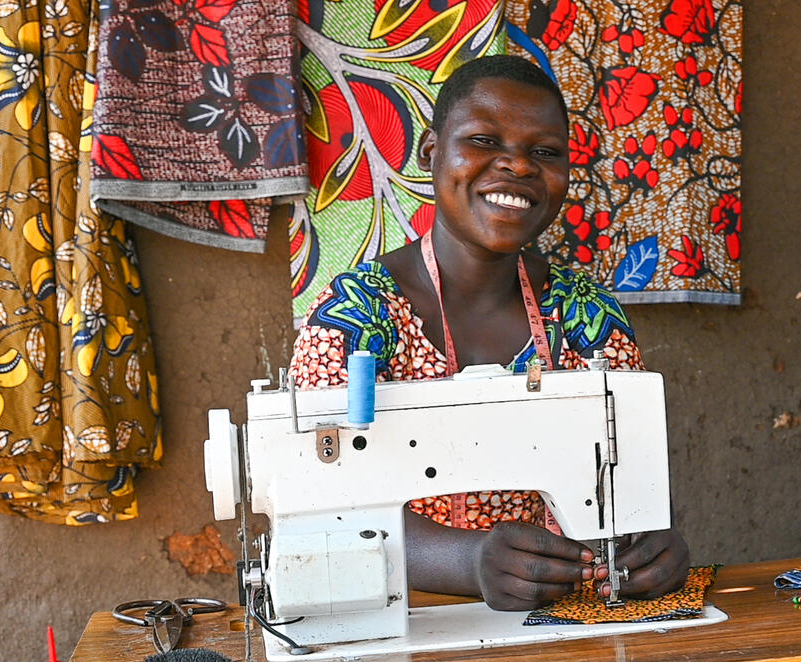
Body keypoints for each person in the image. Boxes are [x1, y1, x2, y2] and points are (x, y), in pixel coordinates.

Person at [289, 55, 689, 610]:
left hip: (560, 615)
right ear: (432, 153)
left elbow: (635, 474)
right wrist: (465, 561)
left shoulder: (585, 314)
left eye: (544, 152)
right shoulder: (355, 318)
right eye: (483, 140)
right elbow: (317, 499)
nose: (518, 167)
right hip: (409, 614)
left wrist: (656, 544)